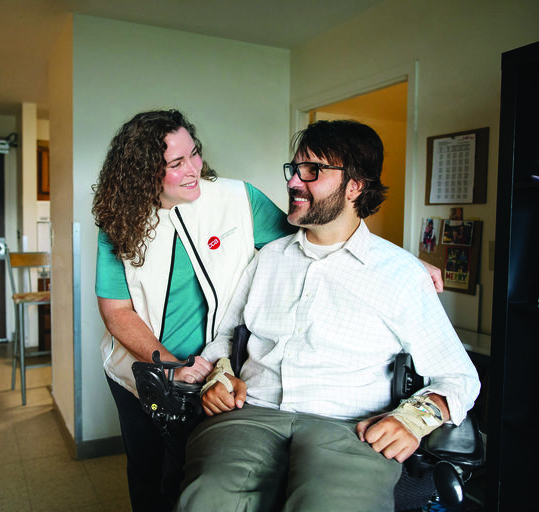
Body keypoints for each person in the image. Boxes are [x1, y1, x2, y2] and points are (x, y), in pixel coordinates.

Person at [176, 120, 481, 512]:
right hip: (250, 415)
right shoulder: (267, 260)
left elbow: (458, 377)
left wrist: (414, 419)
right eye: (294, 170)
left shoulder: (401, 274)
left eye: (312, 171)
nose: (293, 183)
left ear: (355, 185)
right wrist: (220, 374)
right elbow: (224, 335)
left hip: (350, 428)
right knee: (207, 499)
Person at [92, 110, 295, 512]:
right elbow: (117, 312)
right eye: (176, 163)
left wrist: (407, 265)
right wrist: (170, 369)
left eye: (195, 154)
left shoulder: (238, 199)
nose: (194, 169)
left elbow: (311, 246)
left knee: (195, 477)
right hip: (141, 374)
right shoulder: (120, 221)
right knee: (148, 475)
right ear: (145, 173)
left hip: (216, 372)